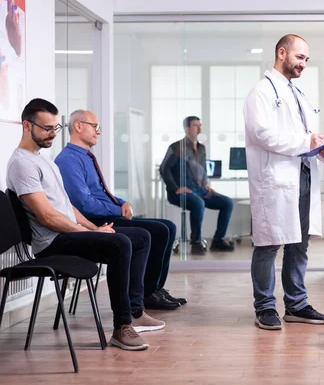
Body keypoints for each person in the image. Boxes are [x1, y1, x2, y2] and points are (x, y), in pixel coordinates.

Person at [6, 98, 165, 351]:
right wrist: (88, 231)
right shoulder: (22, 164)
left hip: (67, 233)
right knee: (120, 243)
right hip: (51, 242)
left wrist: (94, 229)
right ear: (27, 125)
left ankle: (136, 311)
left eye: (55, 128)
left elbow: (67, 207)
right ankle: (122, 326)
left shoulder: (43, 158)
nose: (53, 134)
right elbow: (48, 218)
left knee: (141, 237)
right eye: (47, 129)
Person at [243, 34, 324, 330]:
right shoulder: (261, 92)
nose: (303, 64)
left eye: (306, 60)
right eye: (299, 57)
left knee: (300, 243)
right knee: (269, 244)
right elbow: (262, 134)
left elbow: (305, 137)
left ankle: (296, 304)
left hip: (303, 175)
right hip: (276, 180)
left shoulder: (297, 94)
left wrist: (322, 150)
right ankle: (265, 307)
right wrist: (305, 141)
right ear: (282, 53)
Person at [55, 110, 186, 310]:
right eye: (95, 126)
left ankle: (154, 288)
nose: (99, 132)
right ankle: (147, 293)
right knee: (159, 231)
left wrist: (123, 202)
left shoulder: (86, 157)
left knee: (168, 226)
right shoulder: (67, 160)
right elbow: (84, 204)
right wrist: (117, 209)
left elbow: (101, 194)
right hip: (93, 220)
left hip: (104, 214)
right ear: (79, 126)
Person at [159, 116, 235, 253]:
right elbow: (164, 169)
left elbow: (202, 169)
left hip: (198, 189)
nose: (199, 128)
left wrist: (205, 184)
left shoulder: (201, 148)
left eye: (200, 125)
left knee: (227, 203)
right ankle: (196, 242)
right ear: (187, 128)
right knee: (198, 203)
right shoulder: (177, 147)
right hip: (179, 192)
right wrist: (176, 188)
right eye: (195, 125)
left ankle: (217, 240)